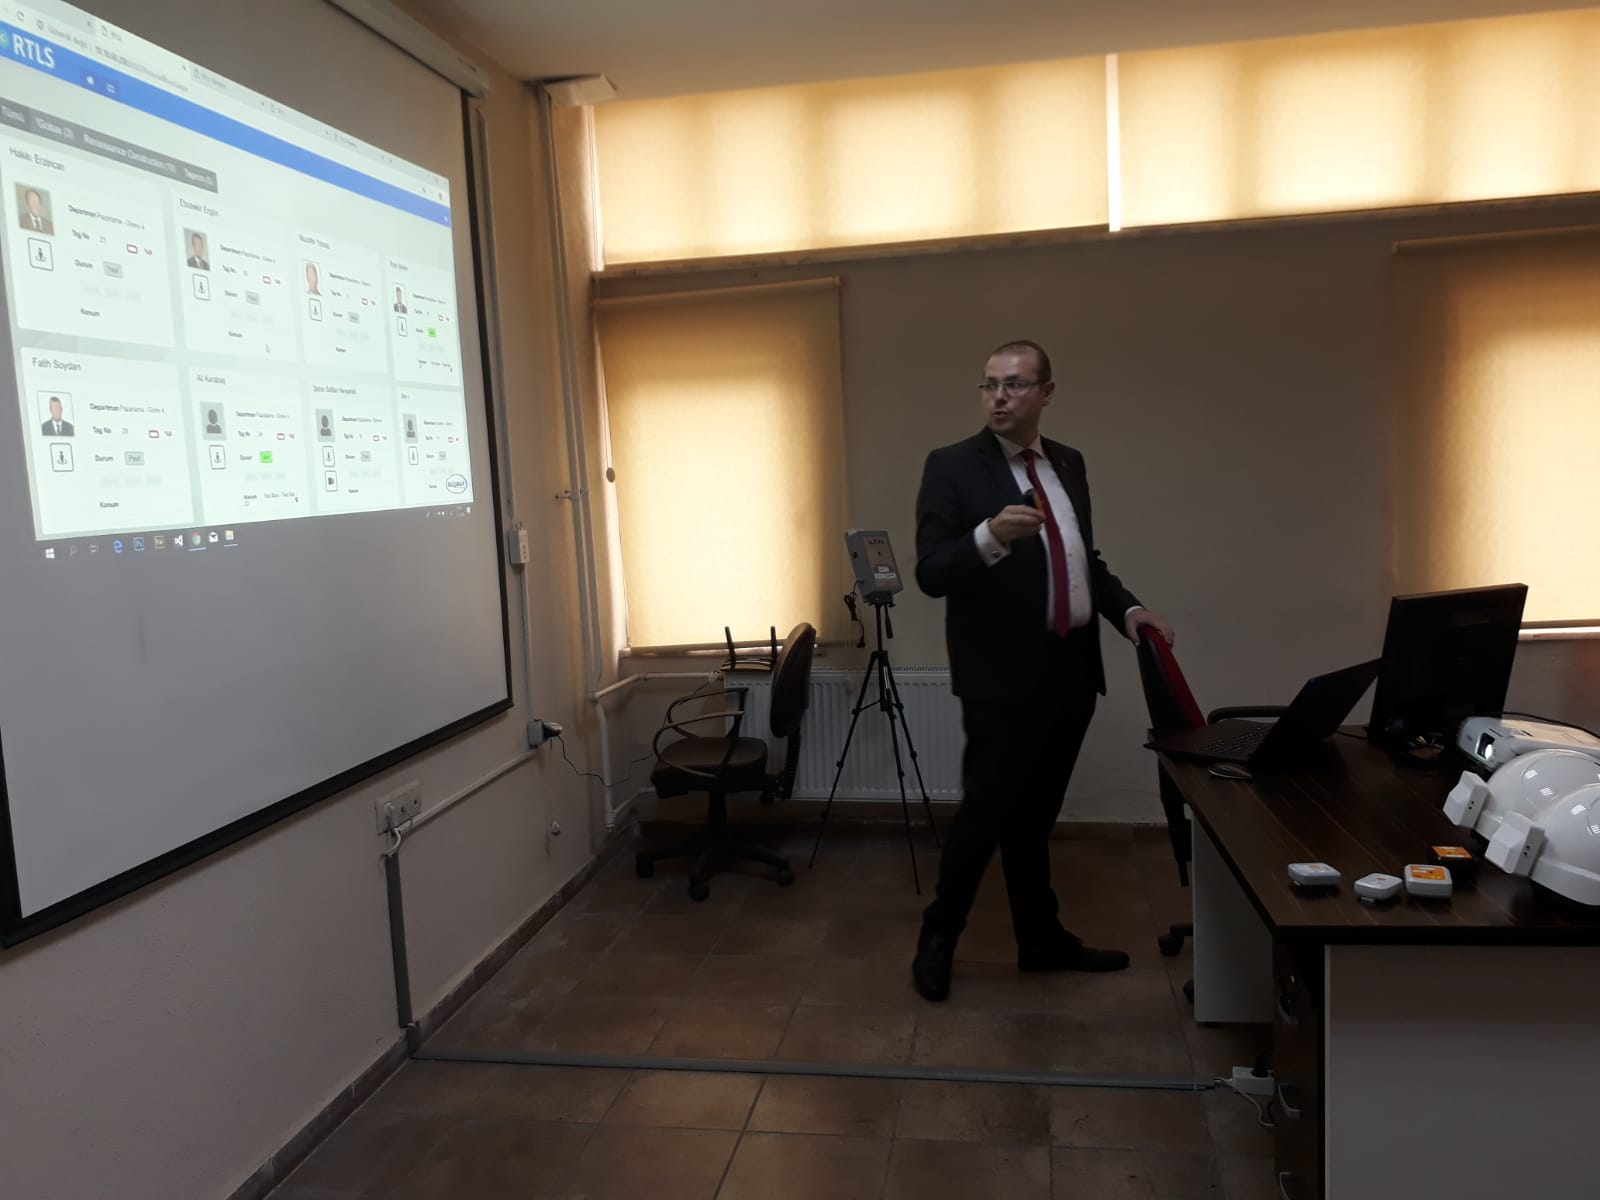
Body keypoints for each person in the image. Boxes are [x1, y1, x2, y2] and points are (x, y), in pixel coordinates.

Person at [909, 338, 1175, 1003]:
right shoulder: (952, 466)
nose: (998, 396)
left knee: (1034, 819)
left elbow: (1083, 559)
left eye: (1014, 384)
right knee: (985, 814)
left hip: (1071, 672)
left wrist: (1129, 610)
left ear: (1046, 393)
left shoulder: (1069, 463)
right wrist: (990, 536)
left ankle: (1040, 939)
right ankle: (938, 937)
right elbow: (931, 572)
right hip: (1000, 680)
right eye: (989, 384)